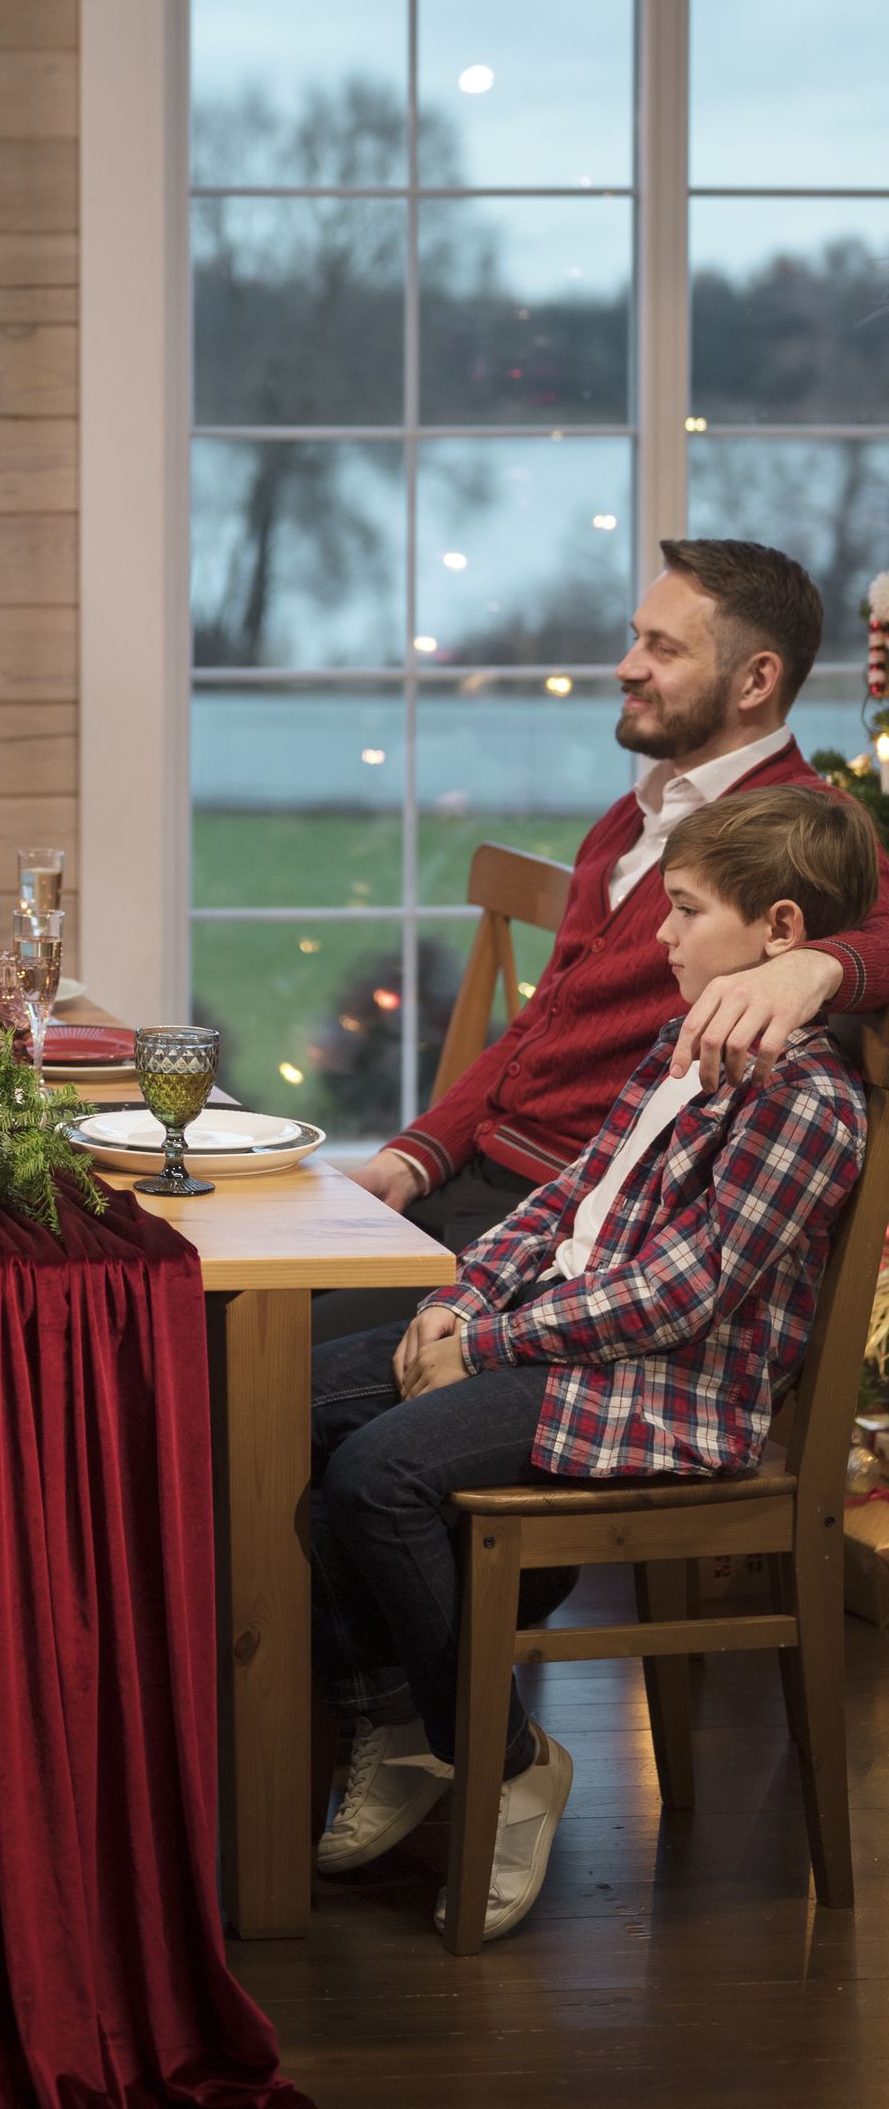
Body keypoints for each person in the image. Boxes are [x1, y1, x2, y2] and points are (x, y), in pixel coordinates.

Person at [311, 782, 877, 1945]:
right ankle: (406, 1717)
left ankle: (509, 1762)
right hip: (560, 1332)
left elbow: (684, 1291)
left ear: (779, 933)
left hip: (661, 1392)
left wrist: (488, 1341)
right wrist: (459, 1292)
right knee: (291, 1401)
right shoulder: (684, 1043)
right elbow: (567, 1194)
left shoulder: (808, 1100)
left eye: (682, 911)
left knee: (377, 1475)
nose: (659, 937)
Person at [319, 538, 889, 1341]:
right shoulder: (634, 815)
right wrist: (413, 1156)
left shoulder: (802, 829)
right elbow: (539, 1024)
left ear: (756, 680)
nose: (626, 666)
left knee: (272, 1357)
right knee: (232, 1303)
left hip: (570, 1222)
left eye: (663, 647)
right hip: (481, 1180)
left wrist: (817, 966)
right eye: (635, 636)